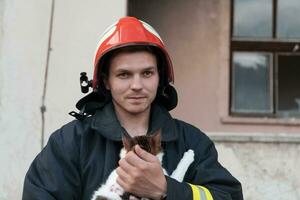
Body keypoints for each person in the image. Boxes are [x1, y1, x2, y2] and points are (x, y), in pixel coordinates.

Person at [22, 16, 243, 200]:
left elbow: (228, 196)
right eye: (124, 74)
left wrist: (166, 189)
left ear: (161, 78)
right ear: (106, 81)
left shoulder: (191, 143)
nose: (137, 85)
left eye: (147, 73)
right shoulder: (70, 143)